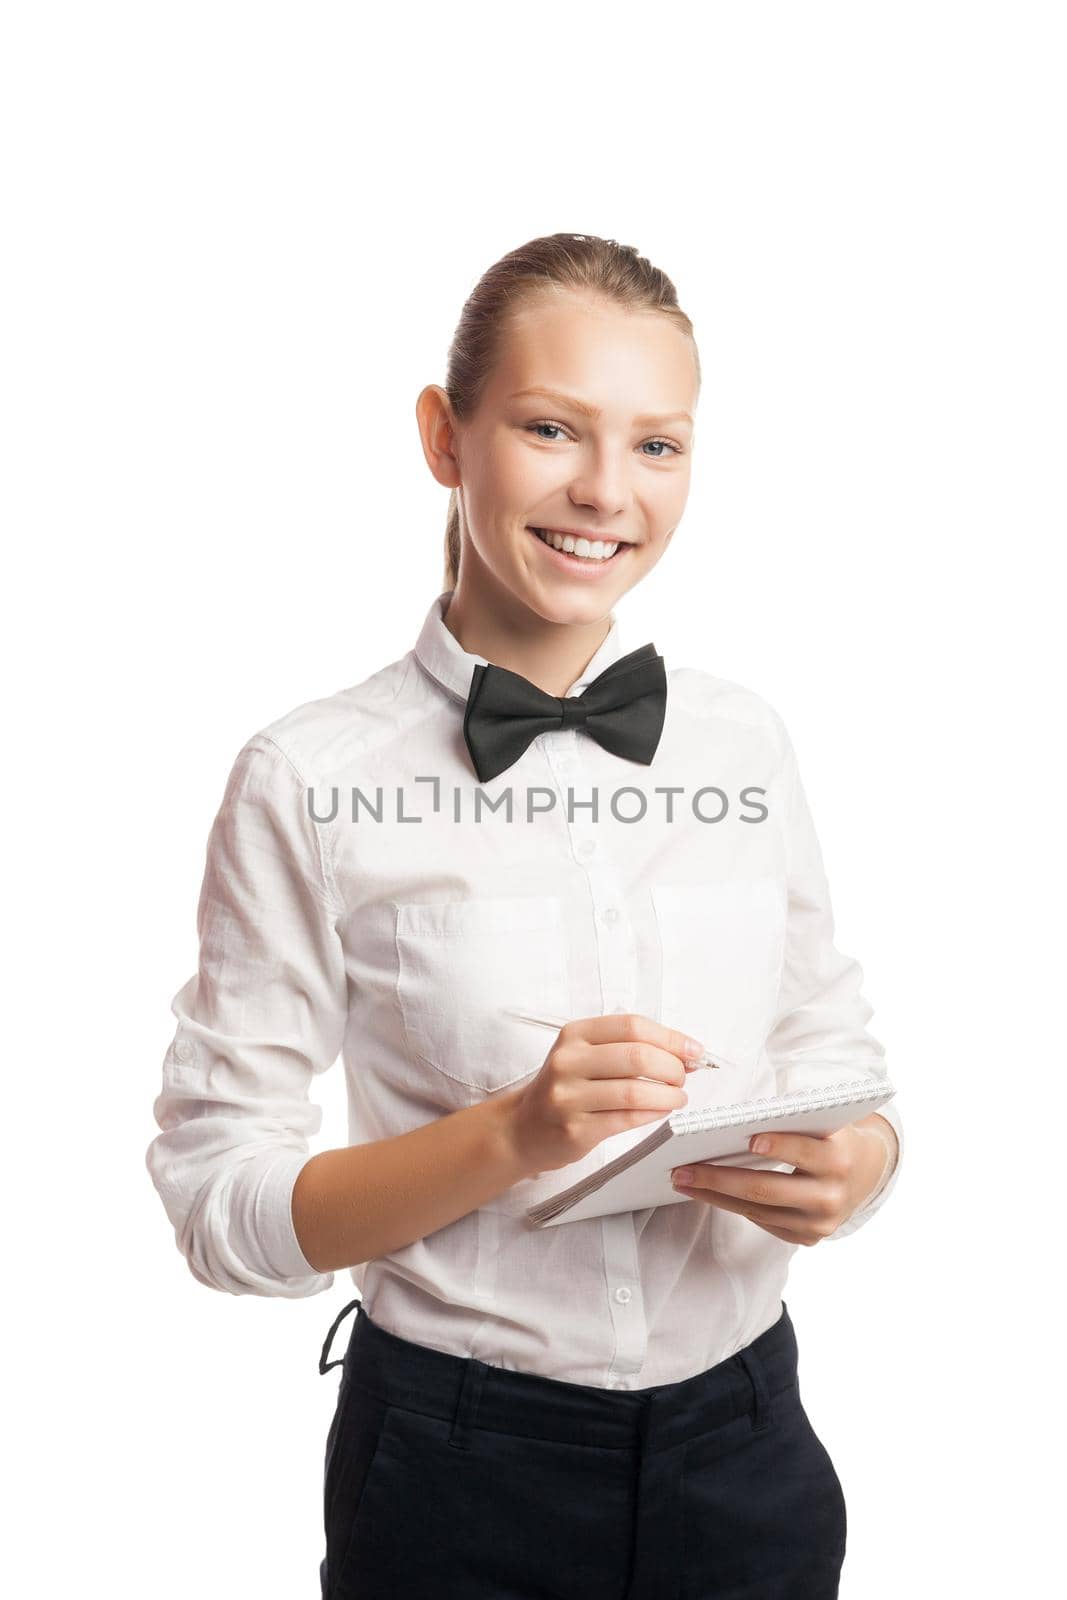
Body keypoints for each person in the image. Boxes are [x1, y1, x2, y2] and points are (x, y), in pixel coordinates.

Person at [146, 231, 903, 1600]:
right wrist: (513, 1132)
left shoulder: (745, 744)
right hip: (455, 1469)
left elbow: (833, 1043)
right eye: (552, 429)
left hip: (750, 1455)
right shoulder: (308, 778)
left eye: (658, 446)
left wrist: (862, 1165)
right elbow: (219, 1204)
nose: (606, 494)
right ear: (447, 435)